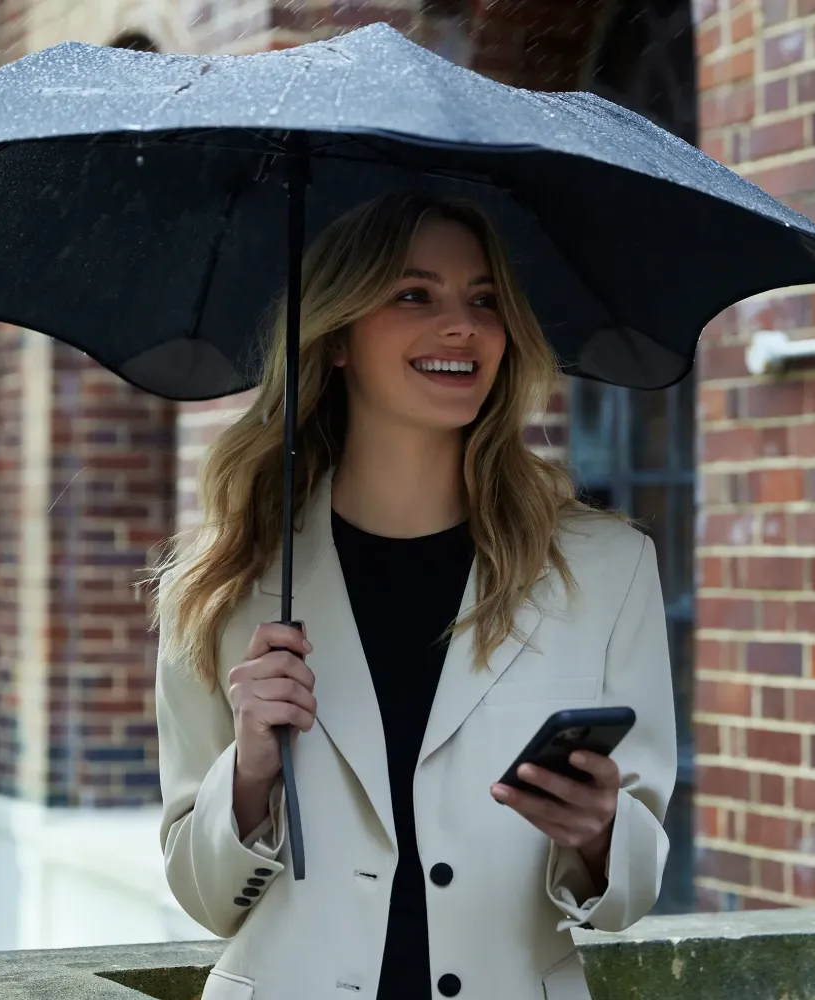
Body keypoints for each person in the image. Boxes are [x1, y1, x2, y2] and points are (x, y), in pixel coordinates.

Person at [154, 192, 677, 1000]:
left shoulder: (608, 569)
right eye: (413, 294)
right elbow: (204, 898)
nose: (462, 325)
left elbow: (630, 895)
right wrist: (251, 766)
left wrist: (604, 834)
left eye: (484, 300)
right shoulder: (222, 581)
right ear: (335, 339)